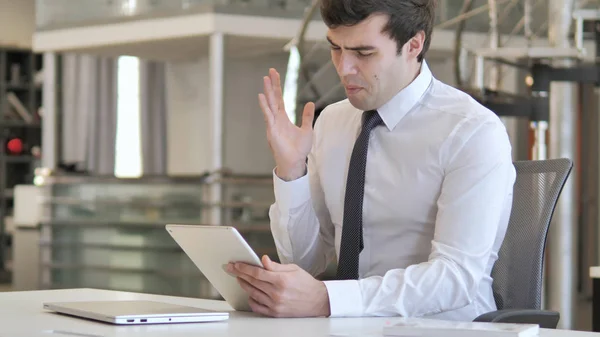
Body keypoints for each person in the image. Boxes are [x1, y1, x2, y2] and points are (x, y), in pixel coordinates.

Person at [227, 0, 516, 321]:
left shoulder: (472, 131)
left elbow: (456, 278)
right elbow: (306, 263)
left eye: (363, 53)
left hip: (444, 328)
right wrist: (291, 171)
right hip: (349, 325)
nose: (343, 67)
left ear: (413, 45)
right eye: (335, 48)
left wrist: (329, 299)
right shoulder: (332, 122)